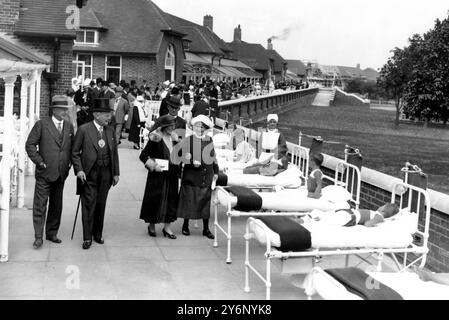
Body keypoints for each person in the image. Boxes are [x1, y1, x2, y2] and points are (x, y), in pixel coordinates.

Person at [25, 95, 75, 249]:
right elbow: (30, 145)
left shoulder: (69, 126)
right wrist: (40, 161)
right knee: (40, 205)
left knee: (56, 205)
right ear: (54, 110)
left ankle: (52, 233)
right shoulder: (41, 125)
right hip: (44, 173)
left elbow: (72, 148)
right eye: (61, 109)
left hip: (61, 174)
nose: (64, 112)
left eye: (65, 110)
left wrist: (70, 164)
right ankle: (38, 236)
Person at [72, 98, 120, 250]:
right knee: (88, 205)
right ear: (97, 115)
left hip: (106, 173)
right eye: (107, 115)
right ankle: (87, 238)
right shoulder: (84, 130)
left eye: (110, 114)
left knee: (101, 204)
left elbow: (114, 154)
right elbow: (75, 153)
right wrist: (79, 170)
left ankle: (97, 234)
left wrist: (116, 173)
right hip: (89, 174)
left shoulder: (110, 131)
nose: (109, 117)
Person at [174, 115, 218, 239]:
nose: (200, 128)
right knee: (188, 200)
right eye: (198, 126)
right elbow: (181, 155)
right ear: (194, 127)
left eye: (202, 126)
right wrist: (192, 161)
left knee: (205, 201)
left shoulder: (209, 140)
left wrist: (216, 172)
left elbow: (213, 157)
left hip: (205, 175)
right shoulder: (189, 140)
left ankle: (206, 229)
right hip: (191, 175)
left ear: (206, 128)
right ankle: (185, 225)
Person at [139, 115, 180, 239]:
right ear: (163, 126)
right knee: (155, 199)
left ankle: (167, 227)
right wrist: (153, 165)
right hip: (158, 174)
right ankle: (151, 225)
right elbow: (143, 155)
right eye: (170, 126)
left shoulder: (174, 138)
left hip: (172, 173)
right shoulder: (156, 137)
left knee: (171, 200)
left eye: (174, 125)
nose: (172, 128)